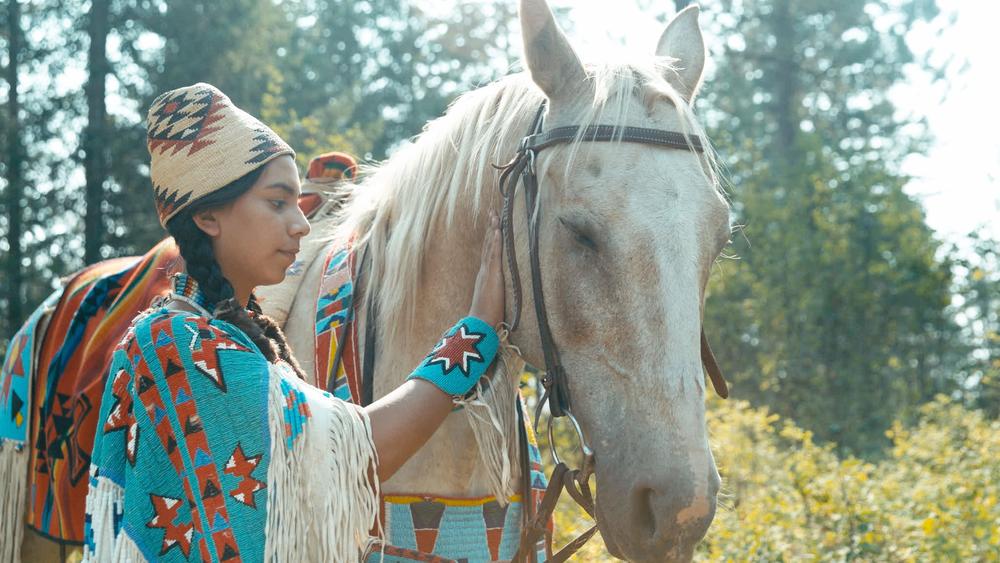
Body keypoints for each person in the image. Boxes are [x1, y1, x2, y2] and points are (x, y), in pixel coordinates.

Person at [82, 83, 505, 562]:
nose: (301, 225)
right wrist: (474, 331)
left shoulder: (222, 336)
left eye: (298, 205)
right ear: (207, 216)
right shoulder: (177, 345)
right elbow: (356, 453)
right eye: (277, 203)